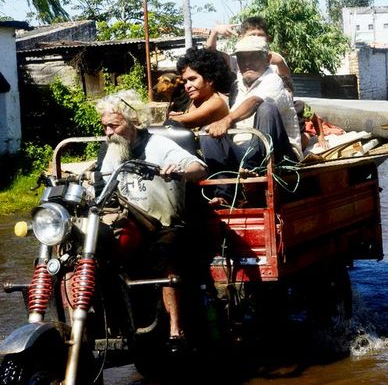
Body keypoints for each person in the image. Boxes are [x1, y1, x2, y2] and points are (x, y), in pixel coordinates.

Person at [95, 89, 208, 350]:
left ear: (134, 122)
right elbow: (99, 187)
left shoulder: (158, 144)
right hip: (128, 222)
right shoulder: (110, 151)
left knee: (163, 251)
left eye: (114, 125)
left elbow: (199, 168)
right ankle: (109, 324)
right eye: (105, 127)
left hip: (164, 222)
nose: (108, 133)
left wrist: (179, 170)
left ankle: (176, 330)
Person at [201, 35, 301, 205]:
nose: (247, 63)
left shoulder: (273, 80)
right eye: (242, 58)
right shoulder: (237, 85)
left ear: (268, 59)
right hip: (246, 151)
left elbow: (255, 101)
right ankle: (224, 194)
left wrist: (228, 119)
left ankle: (255, 172)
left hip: (280, 154)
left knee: (266, 108)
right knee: (206, 132)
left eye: (253, 57)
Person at [206, 16, 294, 94]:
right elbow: (210, 54)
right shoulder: (236, 60)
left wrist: (280, 63)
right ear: (241, 38)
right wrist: (215, 31)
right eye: (252, 35)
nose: (256, 38)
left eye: (260, 35)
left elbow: (286, 82)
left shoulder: (275, 60)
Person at [167, 48, 233, 130]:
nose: (187, 86)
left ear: (209, 79)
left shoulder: (216, 103)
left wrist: (173, 119)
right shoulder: (192, 100)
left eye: (192, 79)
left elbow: (180, 121)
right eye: (185, 81)